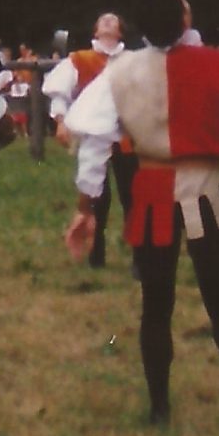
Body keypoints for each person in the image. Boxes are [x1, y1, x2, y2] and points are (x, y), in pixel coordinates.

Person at [61, 0, 219, 432]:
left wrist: (86, 205)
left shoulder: (119, 72)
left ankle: (159, 407)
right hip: (205, 187)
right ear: (185, 20)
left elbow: (95, 143)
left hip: (151, 191)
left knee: (155, 304)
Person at [43, 14, 133, 263]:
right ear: (95, 30)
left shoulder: (131, 61)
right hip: (94, 137)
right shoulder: (81, 59)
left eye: (113, 20)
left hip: (127, 137)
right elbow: (60, 92)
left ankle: (140, 254)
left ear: (120, 32)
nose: (107, 22)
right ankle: (96, 250)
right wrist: (61, 121)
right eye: (102, 20)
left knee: (131, 194)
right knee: (96, 195)